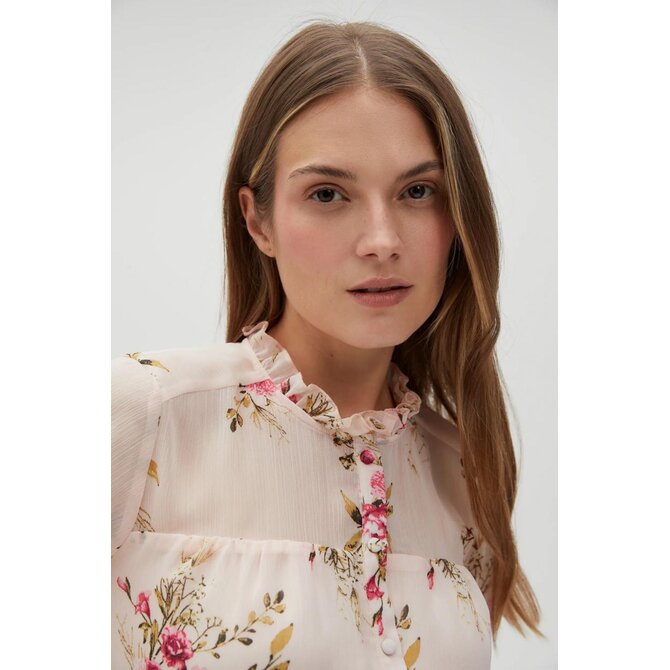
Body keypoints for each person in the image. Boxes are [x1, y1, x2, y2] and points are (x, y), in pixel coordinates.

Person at [112, 20, 543, 669]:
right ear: (257, 220)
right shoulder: (145, 414)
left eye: (417, 191)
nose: (382, 240)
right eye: (328, 194)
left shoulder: (462, 471)